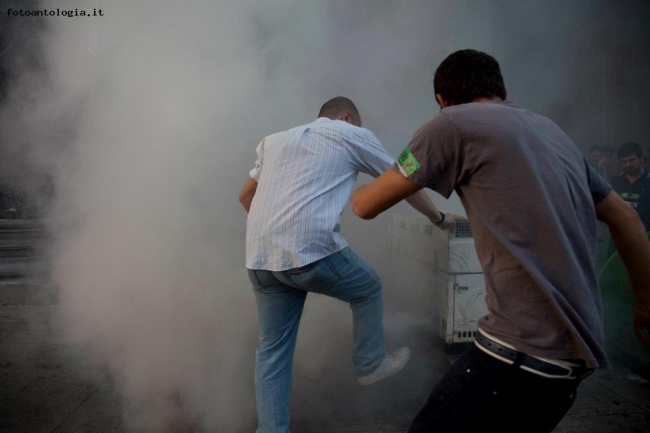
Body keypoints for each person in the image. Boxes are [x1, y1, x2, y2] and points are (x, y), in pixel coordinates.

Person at [350, 50, 650, 432]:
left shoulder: (450, 125)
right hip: (576, 359)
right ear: (502, 90)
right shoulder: (553, 132)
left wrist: (354, 185)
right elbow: (628, 219)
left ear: (442, 100)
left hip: (519, 353)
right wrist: (645, 303)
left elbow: (365, 206)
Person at [239, 96, 461, 433]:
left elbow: (245, 197)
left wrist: (273, 236)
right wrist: (439, 217)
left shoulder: (273, 140)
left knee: (271, 352)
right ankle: (370, 363)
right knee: (369, 288)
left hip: (259, 260)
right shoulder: (352, 133)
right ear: (346, 117)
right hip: (310, 251)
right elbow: (404, 180)